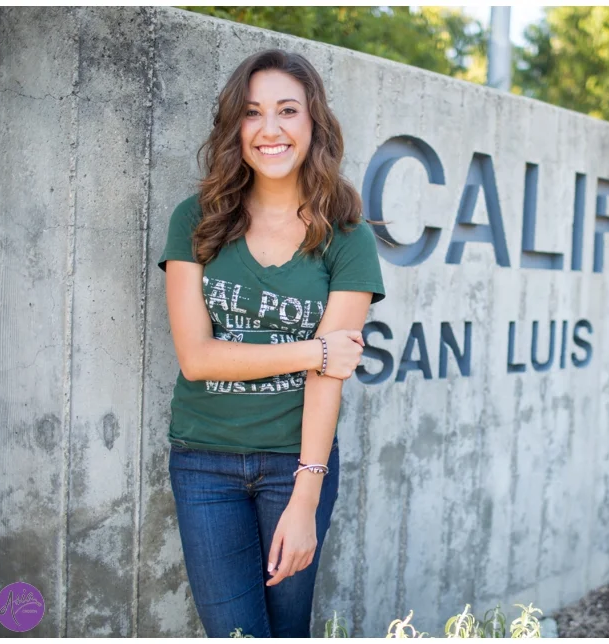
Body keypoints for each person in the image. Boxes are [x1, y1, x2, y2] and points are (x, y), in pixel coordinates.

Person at [157, 49, 385, 638]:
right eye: (253, 113)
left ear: (314, 125)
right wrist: (315, 349)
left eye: (288, 110)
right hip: (204, 461)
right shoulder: (197, 220)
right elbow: (198, 358)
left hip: (297, 465)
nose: (270, 129)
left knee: (287, 631)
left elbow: (329, 382)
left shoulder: (348, 237)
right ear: (237, 126)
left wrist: (306, 498)